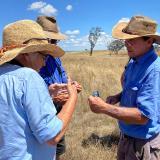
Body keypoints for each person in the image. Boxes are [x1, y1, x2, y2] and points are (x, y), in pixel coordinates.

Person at [0, 20, 78, 160]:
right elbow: (51, 136)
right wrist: (72, 98)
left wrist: (47, 94)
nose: (44, 61)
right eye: (43, 55)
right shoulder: (29, 76)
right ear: (25, 54)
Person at [88, 15, 160, 160]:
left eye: (132, 40)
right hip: (126, 136)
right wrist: (118, 96)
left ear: (149, 41)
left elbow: (143, 117)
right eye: (125, 40)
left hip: (142, 143)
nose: (126, 44)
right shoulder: (134, 61)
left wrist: (104, 108)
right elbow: (134, 89)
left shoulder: (154, 70)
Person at [36, 16, 82, 160]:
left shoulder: (55, 57)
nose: (55, 45)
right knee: (43, 147)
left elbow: (63, 77)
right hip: (40, 113)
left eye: (56, 41)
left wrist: (71, 86)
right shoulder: (31, 61)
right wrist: (51, 96)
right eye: (53, 41)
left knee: (58, 148)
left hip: (58, 110)